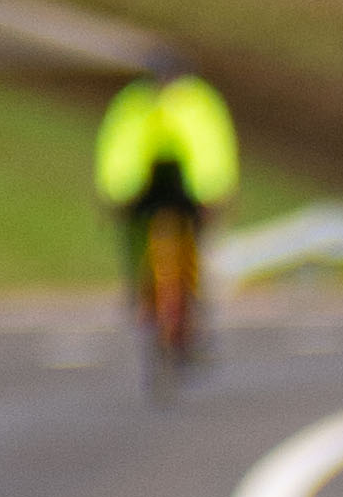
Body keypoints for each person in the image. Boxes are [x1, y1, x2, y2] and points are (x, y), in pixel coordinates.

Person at [93, 61, 240, 369]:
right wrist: (115, 192)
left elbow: (212, 149)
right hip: (145, 185)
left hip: (190, 187)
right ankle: (145, 299)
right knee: (138, 241)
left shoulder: (198, 102)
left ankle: (192, 307)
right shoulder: (134, 104)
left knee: (194, 247)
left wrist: (213, 193)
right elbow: (119, 148)